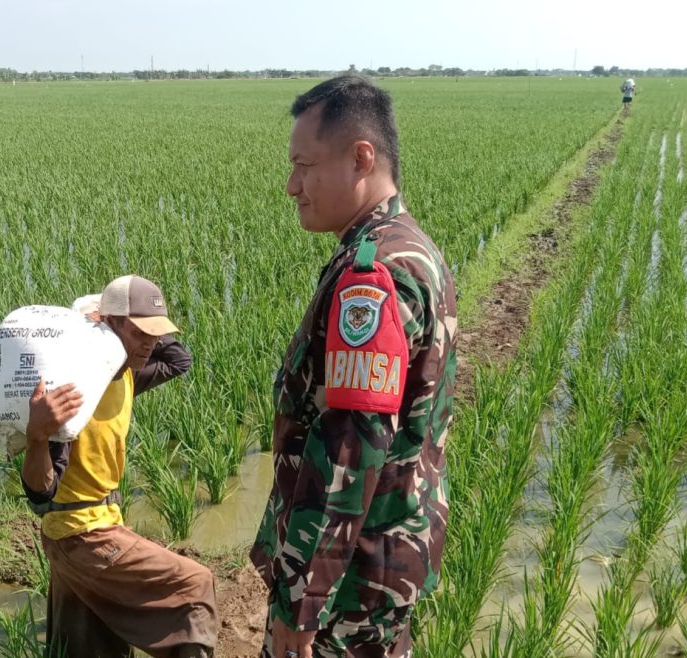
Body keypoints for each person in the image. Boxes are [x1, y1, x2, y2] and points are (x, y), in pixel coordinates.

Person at [250, 75, 458, 658]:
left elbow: (351, 445)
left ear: (361, 157)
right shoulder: (410, 246)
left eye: (303, 165)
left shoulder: (374, 275)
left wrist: (303, 600)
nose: (292, 185)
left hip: (349, 584)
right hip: (382, 559)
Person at [21, 274, 217, 658]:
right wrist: (37, 437)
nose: (150, 342)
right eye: (140, 331)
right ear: (109, 325)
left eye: (156, 332)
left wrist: (130, 318)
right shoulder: (75, 389)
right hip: (82, 534)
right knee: (194, 588)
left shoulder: (127, 374)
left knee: (92, 648)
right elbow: (39, 493)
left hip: (97, 526)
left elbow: (180, 359)